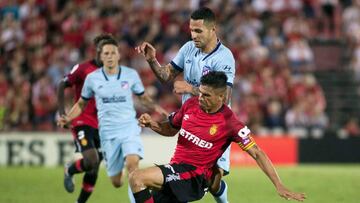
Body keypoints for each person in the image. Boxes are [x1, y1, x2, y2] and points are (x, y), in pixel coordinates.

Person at [130, 71, 306, 203]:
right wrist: (152, 124)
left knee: (137, 178)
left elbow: (257, 153)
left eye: (206, 95)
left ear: (221, 97)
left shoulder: (230, 122)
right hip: (176, 170)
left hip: (195, 177)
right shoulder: (190, 105)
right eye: (200, 92)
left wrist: (278, 184)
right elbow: (171, 129)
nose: (200, 98)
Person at [136, 7, 235, 203]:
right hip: (190, 122)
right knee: (190, 181)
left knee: (213, 179)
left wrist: (190, 88)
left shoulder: (224, 57)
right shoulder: (188, 48)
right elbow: (166, 75)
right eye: (191, 30)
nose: (194, 35)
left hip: (215, 127)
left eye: (199, 31)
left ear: (212, 29)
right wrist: (152, 60)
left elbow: (223, 97)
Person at [57, 34, 167, 203]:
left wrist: (156, 107)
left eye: (112, 52)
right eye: (105, 53)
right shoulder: (90, 76)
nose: (109, 56)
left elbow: (143, 97)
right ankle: (74, 169)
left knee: (132, 166)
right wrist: (65, 116)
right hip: (101, 130)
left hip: (127, 128)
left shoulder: (129, 75)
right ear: (100, 54)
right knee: (112, 178)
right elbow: (79, 102)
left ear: (118, 54)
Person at [57, 34, 114, 203]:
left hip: (102, 125)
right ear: (97, 51)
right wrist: (62, 113)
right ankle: (70, 169)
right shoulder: (82, 68)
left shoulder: (112, 73)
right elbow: (62, 84)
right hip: (81, 120)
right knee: (91, 160)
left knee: (93, 169)